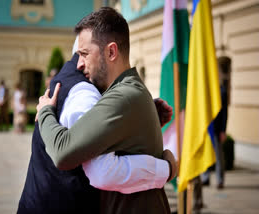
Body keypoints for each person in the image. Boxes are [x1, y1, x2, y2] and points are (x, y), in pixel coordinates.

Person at [18, 37, 176, 213]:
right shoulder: (85, 94)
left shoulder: (67, 80)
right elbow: (104, 173)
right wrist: (166, 168)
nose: (81, 63)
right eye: (82, 54)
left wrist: (138, 117)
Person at [202, 57, 229, 189]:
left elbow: (224, 113)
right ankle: (205, 177)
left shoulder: (222, 91)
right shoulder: (204, 90)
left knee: (219, 157)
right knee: (204, 152)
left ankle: (220, 180)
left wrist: (223, 130)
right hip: (206, 128)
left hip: (217, 129)